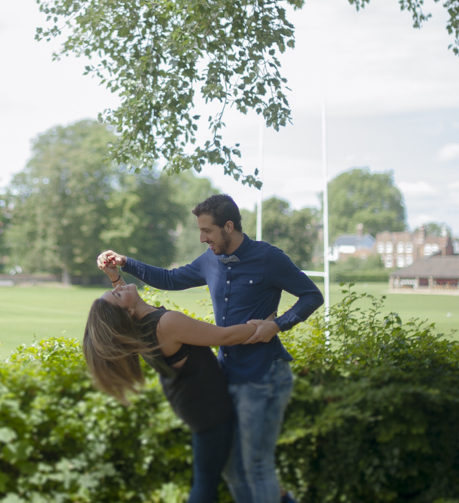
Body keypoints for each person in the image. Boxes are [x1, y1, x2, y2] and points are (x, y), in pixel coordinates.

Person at [98, 194, 324, 503]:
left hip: (263, 375)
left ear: (229, 226)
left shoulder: (270, 258)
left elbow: (312, 296)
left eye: (207, 231)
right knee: (232, 468)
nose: (203, 238)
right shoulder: (209, 260)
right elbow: (168, 278)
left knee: (255, 467)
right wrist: (125, 262)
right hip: (228, 375)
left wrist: (278, 324)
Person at [84, 274, 266, 503]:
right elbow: (226, 336)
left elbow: (122, 300)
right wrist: (264, 326)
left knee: (219, 473)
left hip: (190, 403)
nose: (119, 288)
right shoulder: (167, 324)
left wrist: (115, 278)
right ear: (128, 312)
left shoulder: (139, 327)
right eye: (117, 293)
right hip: (209, 410)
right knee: (206, 483)